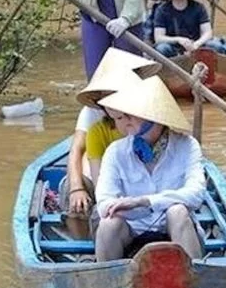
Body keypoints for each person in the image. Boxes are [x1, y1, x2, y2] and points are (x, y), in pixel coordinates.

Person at [94, 76, 205, 262]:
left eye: (130, 114)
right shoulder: (115, 152)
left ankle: (194, 274)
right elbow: (104, 203)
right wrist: (131, 208)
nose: (123, 122)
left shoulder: (187, 145)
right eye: (119, 118)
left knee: (177, 211)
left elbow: (195, 194)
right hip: (131, 228)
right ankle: (106, 278)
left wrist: (144, 201)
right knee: (108, 224)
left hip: (176, 227)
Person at [63, 48, 160, 218]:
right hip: (104, 181)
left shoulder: (150, 113)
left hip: (146, 183)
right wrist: (76, 188)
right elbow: (77, 150)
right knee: (74, 195)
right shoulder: (96, 124)